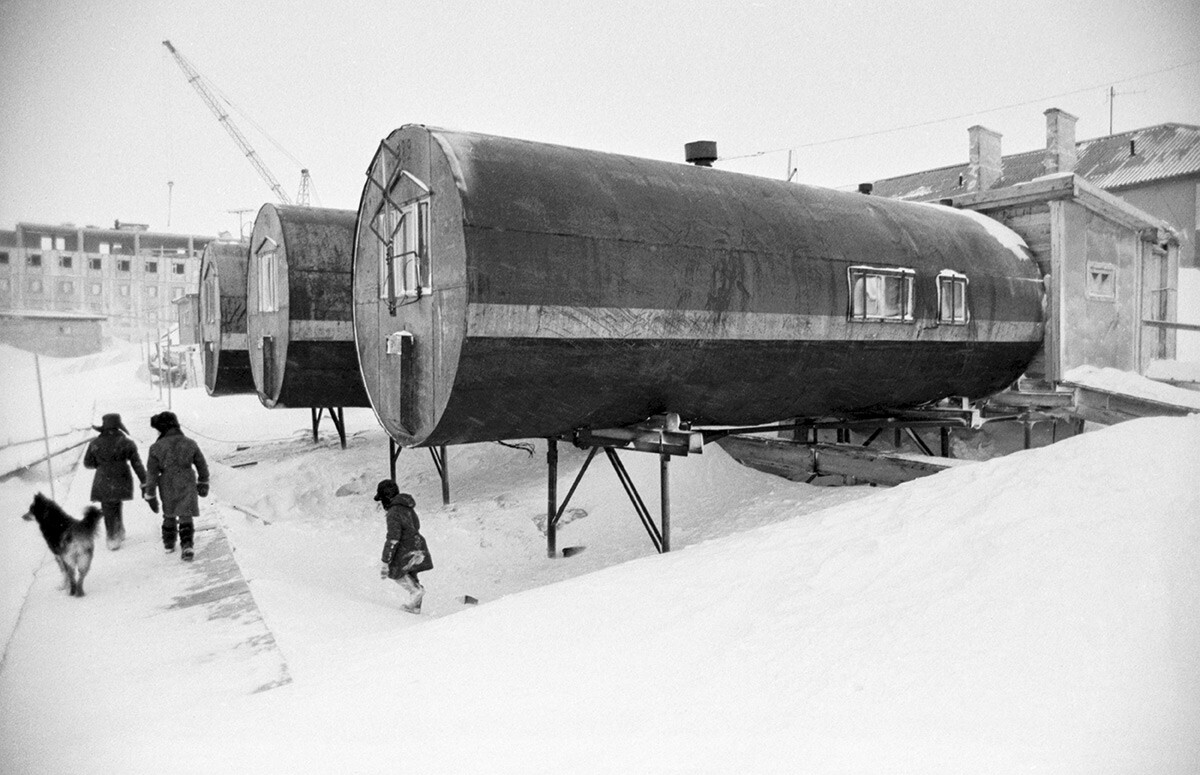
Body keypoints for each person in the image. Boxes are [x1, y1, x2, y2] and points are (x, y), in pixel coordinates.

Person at [143, 411, 209, 562]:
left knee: (169, 513)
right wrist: (203, 481)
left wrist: (150, 493)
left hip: (167, 483)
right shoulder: (190, 443)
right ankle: (187, 545)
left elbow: (152, 474)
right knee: (186, 514)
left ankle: (169, 543)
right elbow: (201, 464)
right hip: (187, 480)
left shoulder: (156, 447)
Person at [83, 413, 149, 551]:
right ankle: (119, 530)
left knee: (107, 506)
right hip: (122, 477)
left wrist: (100, 464)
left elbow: (87, 463)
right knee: (117, 502)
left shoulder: (95, 443)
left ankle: (112, 536)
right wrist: (145, 481)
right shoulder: (126, 442)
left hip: (103, 478)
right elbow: (137, 464)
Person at [375, 480, 433, 613]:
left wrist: (386, 559)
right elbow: (416, 526)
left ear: (386, 497)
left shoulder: (393, 511)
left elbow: (393, 538)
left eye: (382, 499)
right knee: (411, 574)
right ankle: (415, 608)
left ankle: (415, 592)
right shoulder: (408, 507)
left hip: (406, 546)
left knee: (394, 571)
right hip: (418, 543)